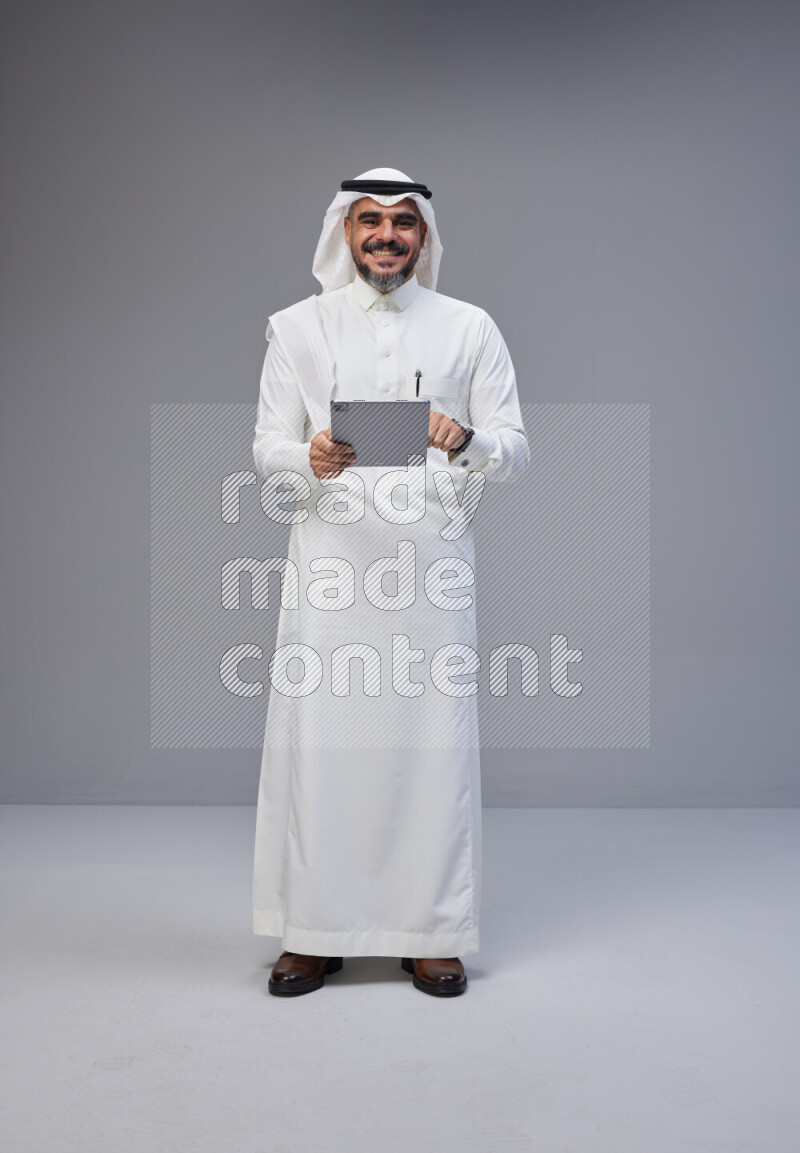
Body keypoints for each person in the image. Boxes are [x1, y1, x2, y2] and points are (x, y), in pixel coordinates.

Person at [252, 167, 529, 997]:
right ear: (344, 231)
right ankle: (312, 931)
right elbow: (266, 444)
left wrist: (467, 438)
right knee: (322, 746)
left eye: (403, 222)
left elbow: (516, 450)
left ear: (425, 236)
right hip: (331, 571)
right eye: (368, 219)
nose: (385, 235)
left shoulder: (469, 328)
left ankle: (430, 930)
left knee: (430, 746)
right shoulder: (298, 329)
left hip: (429, 576)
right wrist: (310, 455)